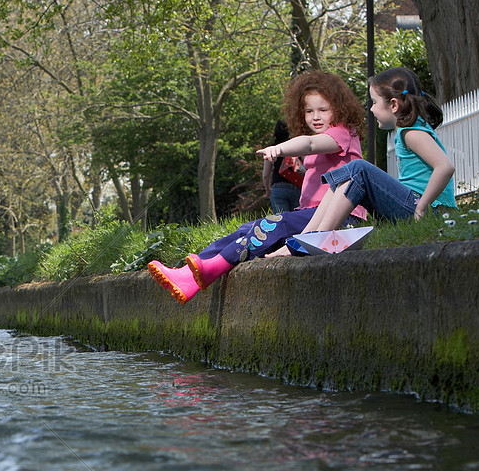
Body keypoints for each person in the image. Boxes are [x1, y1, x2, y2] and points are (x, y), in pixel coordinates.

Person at [149, 70, 367, 304]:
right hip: (311, 214)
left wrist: (279, 148)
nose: (315, 116)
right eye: (309, 111)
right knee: (247, 229)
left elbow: (311, 143)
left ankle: (209, 270)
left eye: (323, 109)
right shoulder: (329, 135)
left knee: (271, 225)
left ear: (340, 108)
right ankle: (189, 274)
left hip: (341, 217)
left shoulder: (344, 132)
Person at [300, 67, 455, 234]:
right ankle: (307, 235)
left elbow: (445, 167)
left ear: (393, 105)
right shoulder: (409, 131)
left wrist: (422, 207)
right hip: (417, 206)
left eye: (374, 102)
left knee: (357, 168)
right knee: (345, 175)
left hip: (428, 210)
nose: (372, 109)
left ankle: (319, 236)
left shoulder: (412, 133)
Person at [264, 119, 302, 214]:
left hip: (278, 188)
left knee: (281, 220)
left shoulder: (271, 149)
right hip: (296, 187)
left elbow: (266, 174)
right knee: (296, 220)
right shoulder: (297, 147)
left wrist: (268, 189)